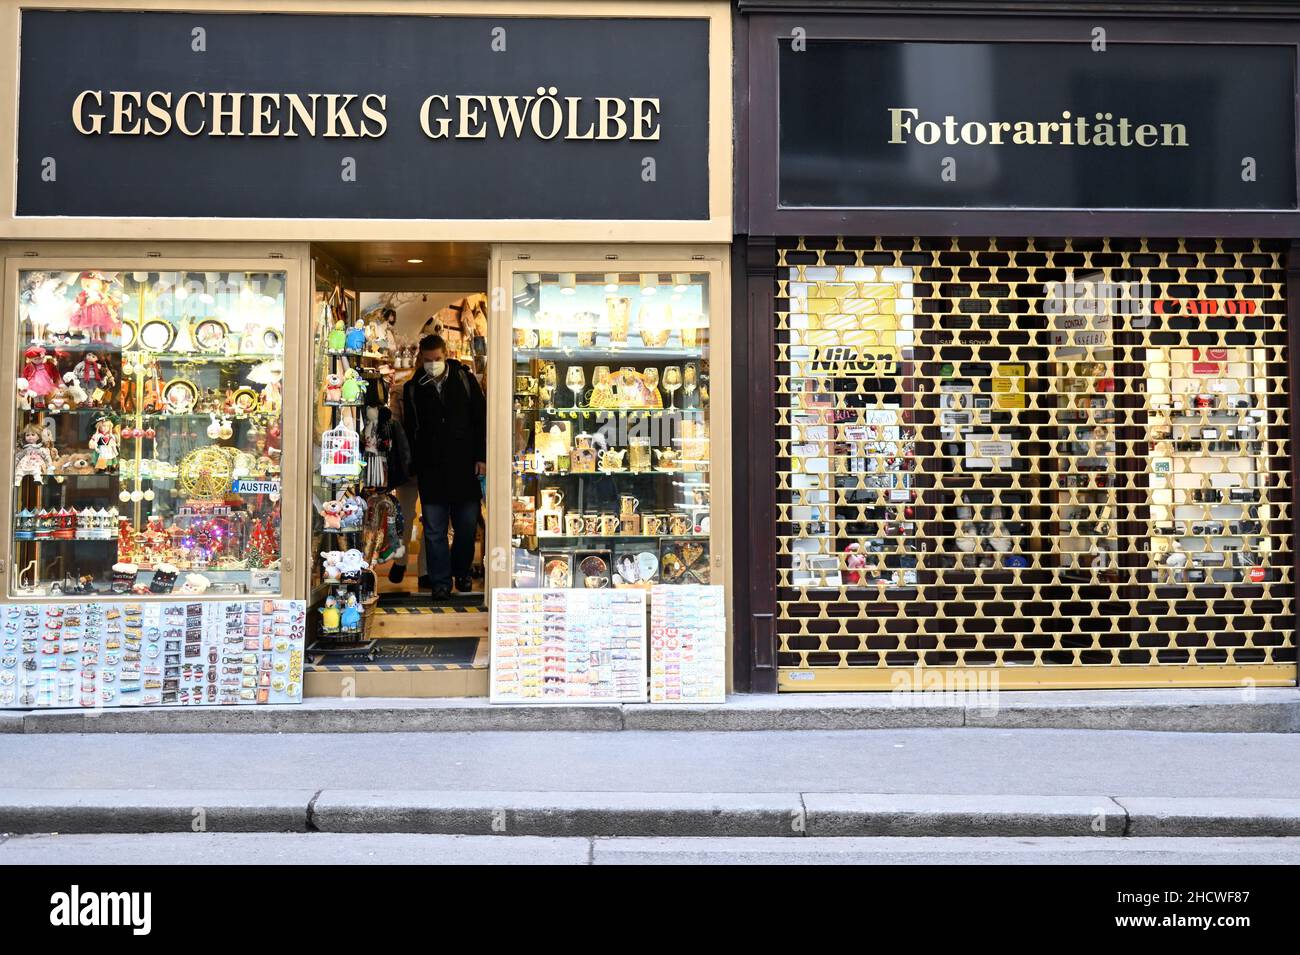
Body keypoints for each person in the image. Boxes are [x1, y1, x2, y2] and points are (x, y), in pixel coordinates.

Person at [402, 334, 486, 599]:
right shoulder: (413, 387)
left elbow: (481, 420)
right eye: (427, 360)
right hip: (432, 470)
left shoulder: (465, 379)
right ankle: (440, 582)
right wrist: (414, 465)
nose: (432, 364)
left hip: (465, 467)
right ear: (420, 359)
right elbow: (410, 428)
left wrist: (482, 457)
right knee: (434, 530)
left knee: (466, 527)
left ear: (446, 354)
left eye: (437, 359)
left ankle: (462, 572)